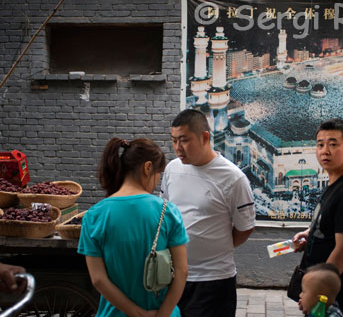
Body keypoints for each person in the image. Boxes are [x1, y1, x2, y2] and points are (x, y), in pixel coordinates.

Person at [160, 109, 255, 317]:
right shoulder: (172, 169)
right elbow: (166, 213)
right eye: (174, 140)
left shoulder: (233, 178)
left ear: (205, 137)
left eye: (184, 140)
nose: (178, 148)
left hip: (214, 280)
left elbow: (245, 228)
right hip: (175, 276)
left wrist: (216, 245)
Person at [78, 137, 189, 317]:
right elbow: (182, 271)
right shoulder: (168, 211)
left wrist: (135, 313)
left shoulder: (94, 216)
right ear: (147, 168)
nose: (157, 181)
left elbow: (98, 279)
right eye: (158, 174)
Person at [293, 118, 343, 317]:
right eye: (320, 144)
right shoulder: (337, 184)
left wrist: (319, 292)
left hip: (337, 294)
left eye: (333, 144)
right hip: (326, 291)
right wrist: (312, 233)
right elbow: (334, 225)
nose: (324, 150)